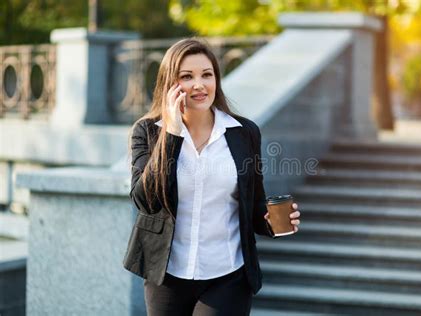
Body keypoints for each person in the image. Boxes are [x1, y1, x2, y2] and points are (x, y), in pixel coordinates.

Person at [122, 37, 301, 316]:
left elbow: (254, 205)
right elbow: (145, 201)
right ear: (170, 84)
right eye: (186, 76)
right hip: (168, 275)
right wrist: (172, 133)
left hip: (228, 274)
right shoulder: (147, 131)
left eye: (207, 74)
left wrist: (272, 223)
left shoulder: (244, 133)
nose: (199, 84)